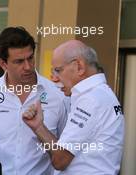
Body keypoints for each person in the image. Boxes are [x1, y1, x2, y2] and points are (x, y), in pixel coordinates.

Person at [0, 27, 68, 175]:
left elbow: (67, 151)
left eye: (30, 58)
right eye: (19, 61)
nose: (28, 67)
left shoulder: (58, 96)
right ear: (3, 63)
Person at [23, 40, 125, 175]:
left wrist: (39, 128)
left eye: (58, 70)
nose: (54, 78)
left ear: (79, 67)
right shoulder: (101, 93)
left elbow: (60, 160)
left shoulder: (90, 99)